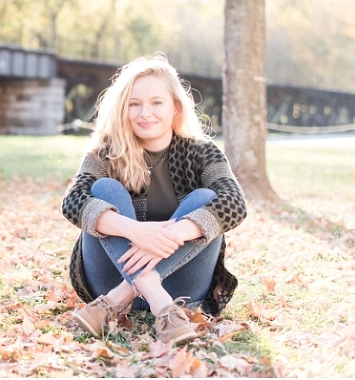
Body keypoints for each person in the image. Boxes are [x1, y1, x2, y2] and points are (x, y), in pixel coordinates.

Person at [61, 53, 247, 344]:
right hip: (108, 276)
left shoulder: (203, 153)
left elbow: (235, 203)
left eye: (156, 102)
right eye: (134, 104)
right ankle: (161, 307)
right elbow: (72, 201)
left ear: (174, 108)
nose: (144, 112)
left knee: (205, 197)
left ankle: (118, 300)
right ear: (124, 109)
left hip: (182, 289)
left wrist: (168, 235)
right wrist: (135, 231)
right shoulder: (105, 152)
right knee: (105, 190)